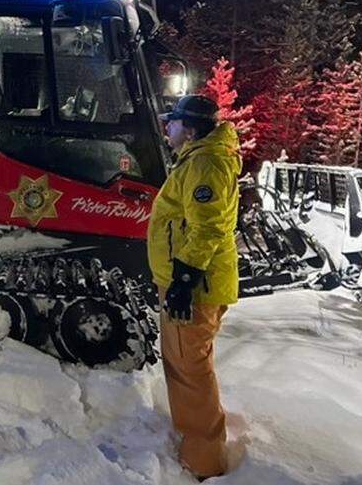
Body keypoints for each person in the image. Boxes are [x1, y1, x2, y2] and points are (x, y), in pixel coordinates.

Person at [146, 94, 241, 480]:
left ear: (189, 129)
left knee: (190, 370)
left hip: (196, 285)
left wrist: (184, 280)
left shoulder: (204, 164)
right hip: (191, 280)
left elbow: (207, 227)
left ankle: (204, 462)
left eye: (172, 122)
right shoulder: (199, 158)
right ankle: (197, 444)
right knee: (186, 363)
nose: (166, 128)